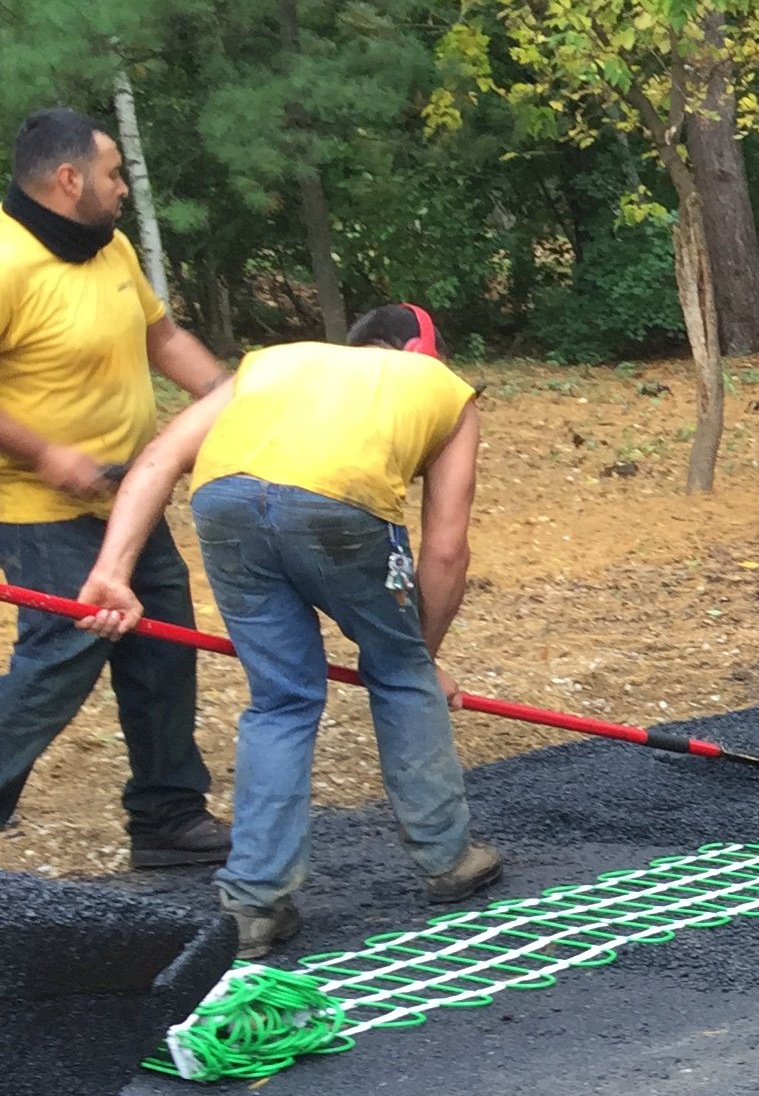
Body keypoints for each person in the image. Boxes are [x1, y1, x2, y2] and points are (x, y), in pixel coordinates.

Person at [78, 305, 501, 959]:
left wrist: (111, 572)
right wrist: (420, 656)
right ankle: (449, 859)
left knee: (281, 699)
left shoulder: (270, 364)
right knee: (400, 676)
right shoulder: (441, 387)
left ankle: (254, 904)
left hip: (223, 502)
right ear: (423, 353)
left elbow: (159, 459)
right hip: (342, 504)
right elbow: (445, 550)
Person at [0, 105, 235, 866]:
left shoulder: (111, 248)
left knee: (162, 645)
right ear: (70, 180)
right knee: (63, 653)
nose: (124, 187)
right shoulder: (5, 261)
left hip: (129, 495)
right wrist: (47, 455)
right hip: (39, 507)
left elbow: (163, 338)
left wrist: (233, 402)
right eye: (114, 173)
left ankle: (167, 817)